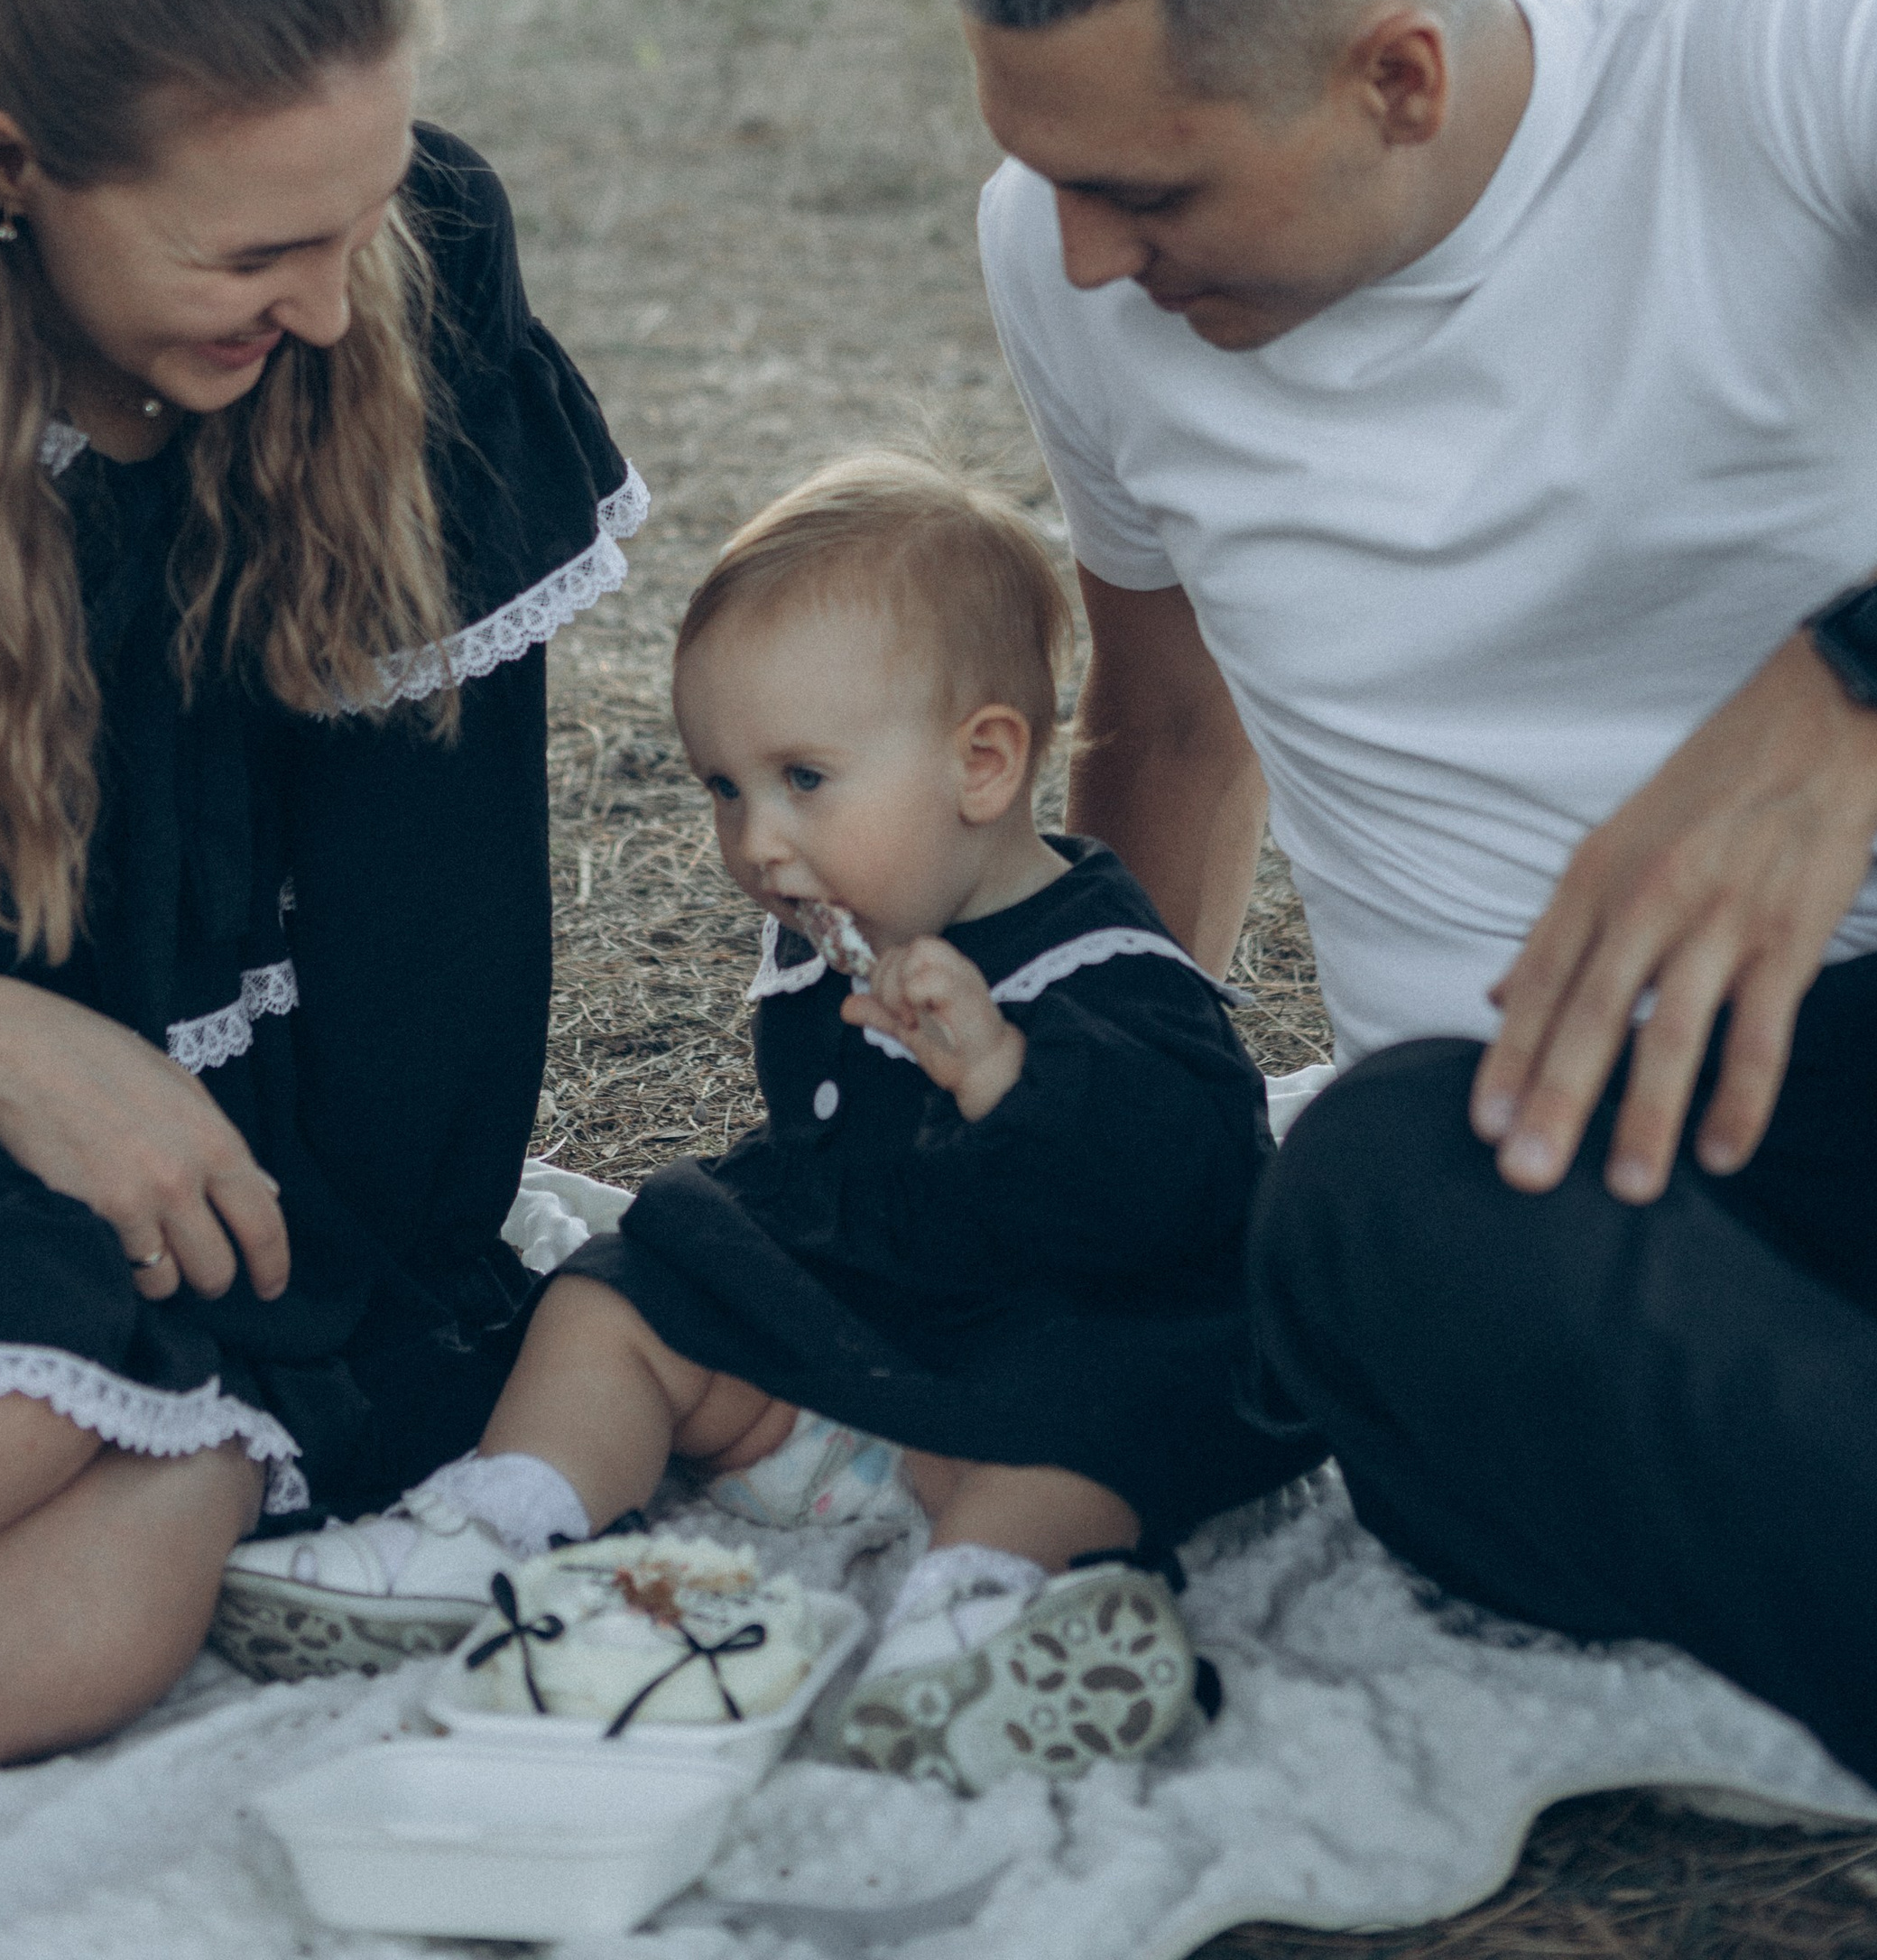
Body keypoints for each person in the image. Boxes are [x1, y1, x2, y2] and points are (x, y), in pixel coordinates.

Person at [948, 0, 1877, 1862]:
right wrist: (1082, 1141)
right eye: (1040, 174)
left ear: (1397, 77)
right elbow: (1162, 724)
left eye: (1144, 188)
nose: (1076, 251)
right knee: (1350, 1199)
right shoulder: (1067, 265)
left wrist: (1862, 684)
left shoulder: (1775, 61)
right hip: (1578, 1234)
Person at [0, 0, 643, 1788]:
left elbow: (440, 936)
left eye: (360, 209)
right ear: (5, 163)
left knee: (137, 1576)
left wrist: (356, 1303)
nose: (325, 303)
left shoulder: (407, 271)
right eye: (247, 258)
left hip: (237, 1190)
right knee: (34, 1324)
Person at [217, 454, 1301, 1790]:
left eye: (801, 779)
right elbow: (820, 1161)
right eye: (724, 788)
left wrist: (1008, 1076)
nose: (754, 843)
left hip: (1047, 1337)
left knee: (1092, 1419)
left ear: (983, 762)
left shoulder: (1102, 966)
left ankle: (984, 1625)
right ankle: (501, 1518)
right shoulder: (830, 938)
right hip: (862, 1334)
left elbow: (1190, 1195)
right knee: (619, 1294)